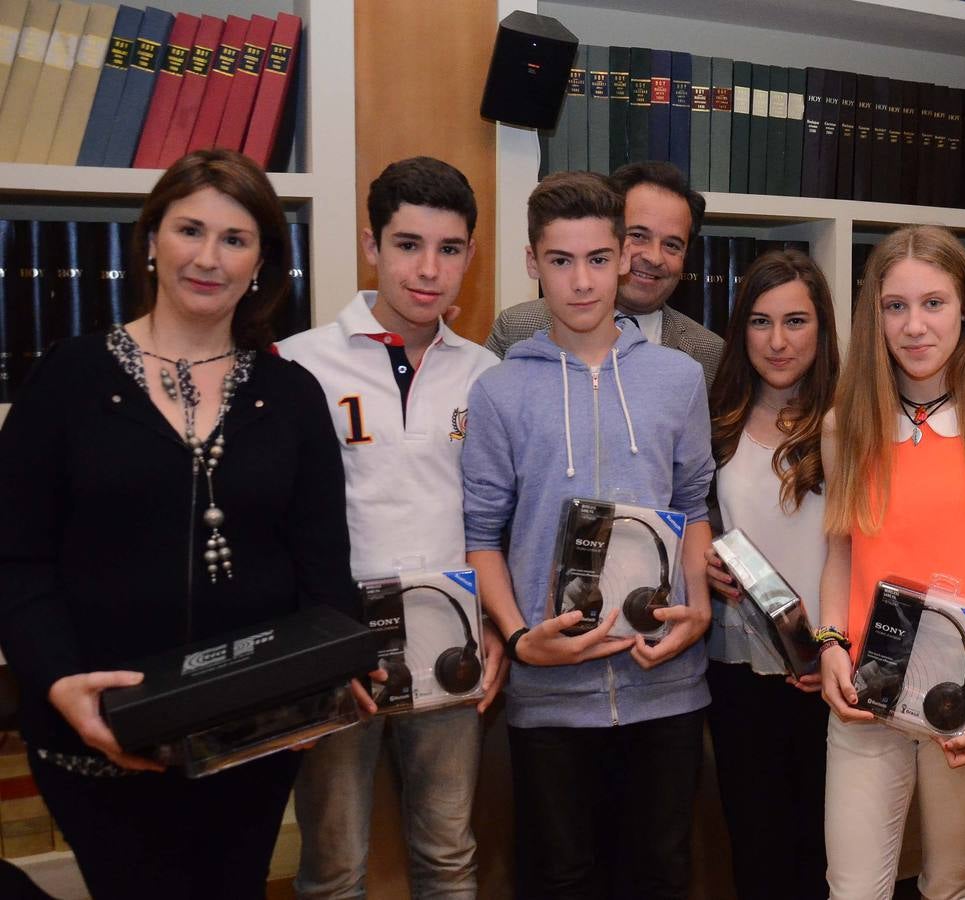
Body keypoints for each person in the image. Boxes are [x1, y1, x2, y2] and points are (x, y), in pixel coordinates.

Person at [0, 149, 356, 898]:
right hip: (97, 730)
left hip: (252, 735)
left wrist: (338, 666)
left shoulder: (292, 394)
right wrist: (62, 682)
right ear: (151, 238)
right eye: (190, 230)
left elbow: (323, 564)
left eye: (235, 239)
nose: (208, 258)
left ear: (262, 260)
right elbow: (16, 559)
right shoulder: (68, 378)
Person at [462, 171, 715, 899]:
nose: (581, 282)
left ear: (622, 259)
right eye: (561, 262)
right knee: (560, 877)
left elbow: (695, 504)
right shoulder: (500, 388)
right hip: (551, 692)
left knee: (659, 874)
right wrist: (516, 639)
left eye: (598, 260)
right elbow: (481, 533)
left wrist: (697, 603)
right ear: (530, 263)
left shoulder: (676, 379)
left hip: (663, 682)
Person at [278, 157, 507, 898]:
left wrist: (498, 627)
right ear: (372, 247)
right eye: (408, 244)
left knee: (447, 852)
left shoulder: (485, 374)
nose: (428, 269)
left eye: (449, 249)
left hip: (451, 635)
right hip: (335, 644)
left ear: (471, 257)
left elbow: (495, 517)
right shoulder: (296, 366)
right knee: (335, 864)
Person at [815, 224, 965, 900]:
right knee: (853, 889)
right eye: (895, 306)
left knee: (951, 884)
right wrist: (830, 642)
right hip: (867, 699)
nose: (913, 326)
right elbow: (838, 550)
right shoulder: (845, 427)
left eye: (933, 304)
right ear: (873, 317)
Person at [703, 250, 839, 900]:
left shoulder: (850, 421)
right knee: (754, 841)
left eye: (795, 321)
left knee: (824, 849)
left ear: (822, 328)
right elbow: (693, 525)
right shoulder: (716, 422)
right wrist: (698, 560)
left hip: (833, 667)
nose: (778, 341)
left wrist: (841, 647)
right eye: (760, 322)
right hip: (738, 666)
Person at [484, 161, 723, 387]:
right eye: (638, 235)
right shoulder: (516, 328)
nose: (654, 257)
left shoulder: (708, 354)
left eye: (672, 244)